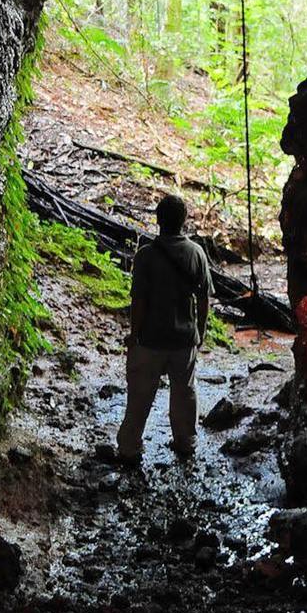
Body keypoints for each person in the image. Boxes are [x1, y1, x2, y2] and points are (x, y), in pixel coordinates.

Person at [112, 193, 211, 466]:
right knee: (185, 392)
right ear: (184, 221)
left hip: (151, 339)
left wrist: (134, 335)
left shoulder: (145, 256)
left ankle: (130, 447)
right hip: (184, 339)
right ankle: (185, 441)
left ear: (157, 220)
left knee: (140, 395)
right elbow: (203, 299)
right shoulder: (197, 253)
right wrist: (199, 332)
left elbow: (139, 301)